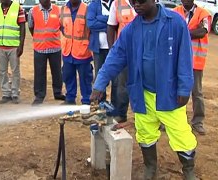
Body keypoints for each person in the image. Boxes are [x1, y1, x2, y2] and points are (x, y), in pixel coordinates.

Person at [90, 0, 198, 179]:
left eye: (140, 1)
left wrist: (184, 88)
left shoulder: (176, 23)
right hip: (143, 93)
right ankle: (150, 167)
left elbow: (185, 57)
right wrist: (100, 83)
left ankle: (188, 170)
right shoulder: (130, 30)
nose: (136, 5)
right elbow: (114, 57)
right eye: (133, 2)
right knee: (145, 132)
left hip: (169, 94)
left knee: (181, 134)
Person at [174, 0, 211, 135]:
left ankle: (198, 122)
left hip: (195, 61)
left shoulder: (204, 14)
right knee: (174, 90)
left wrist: (182, 32)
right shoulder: (175, 12)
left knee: (197, 93)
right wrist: (192, 30)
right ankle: (170, 120)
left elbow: (203, 31)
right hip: (177, 60)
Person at [28, 0, 65, 105]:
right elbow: (31, 27)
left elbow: (62, 27)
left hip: (55, 48)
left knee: (57, 72)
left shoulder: (58, 10)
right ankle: (39, 95)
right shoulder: (32, 11)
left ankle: (58, 92)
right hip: (39, 48)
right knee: (39, 73)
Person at [0, 0, 26, 104]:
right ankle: (6, 94)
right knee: (2, 71)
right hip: (0, 46)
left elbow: (23, 27)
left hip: (14, 46)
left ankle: (15, 93)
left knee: (15, 70)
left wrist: (21, 45)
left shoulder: (18, 8)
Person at [106, 0, 135, 123]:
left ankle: (152, 116)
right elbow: (111, 27)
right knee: (122, 85)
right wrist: (113, 49)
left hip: (145, 52)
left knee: (149, 85)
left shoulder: (149, 3)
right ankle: (121, 114)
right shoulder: (117, 4)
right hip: (124, 52)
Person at [60, 0, 93, 105]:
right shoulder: (63, 9)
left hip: (83, 51)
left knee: (85, 78)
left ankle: (87, 100)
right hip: (67, 51)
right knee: (68, 75)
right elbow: (62, 27)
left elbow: (91, 29)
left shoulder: (87, 9)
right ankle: (70, 98)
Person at [86, 0, 113, 104]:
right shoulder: (93, 5)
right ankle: (101, 102)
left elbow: (117, 21)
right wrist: (110, 23)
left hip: (114, 48)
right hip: (99, 48)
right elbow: (91, 24)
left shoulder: (116, 3)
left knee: (116, 77)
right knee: (100, 75)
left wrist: (100, 18)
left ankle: (115, 103)